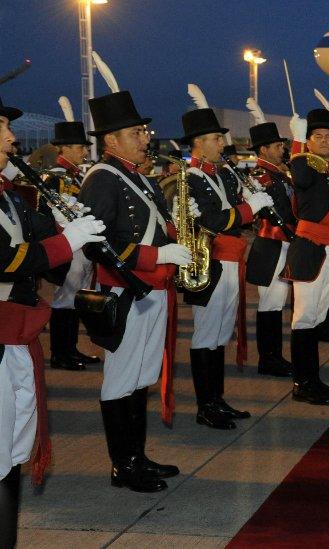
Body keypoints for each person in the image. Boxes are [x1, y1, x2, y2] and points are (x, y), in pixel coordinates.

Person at [0, 97, 104, 546]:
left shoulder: (6, 192)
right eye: (1, 126)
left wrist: (64, 222)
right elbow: (7, 259)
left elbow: (35, 231)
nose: (11, 137)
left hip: (16, 335)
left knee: (12, 449)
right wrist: (67, 243)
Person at [79, 90, 187, 492]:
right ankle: (121, 465)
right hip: (126, 292)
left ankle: (137, 456)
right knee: (119, 379)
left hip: (152, 289)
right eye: (136, 132)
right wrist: (155, 253)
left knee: (141, 377)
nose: (146, 138)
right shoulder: (102, 178)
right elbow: (95, 243)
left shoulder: (139, 176)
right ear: (111, 139)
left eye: (143, 131)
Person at [181, 104, 274, 430]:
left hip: (231, 260)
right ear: (198, 143)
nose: (223, 144)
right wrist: (250, 208)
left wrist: (250, 198)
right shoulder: (190, 178)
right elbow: (213, 221)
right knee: (206, 334)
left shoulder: (219, 174)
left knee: (220, 334)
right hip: (211, 263)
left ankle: (216, 399)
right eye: (215, 139)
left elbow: (232, 211)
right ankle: (205, 405)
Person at [282, 107, 329, 405]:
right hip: (310, 250)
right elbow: (301, 179)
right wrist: (296, 142)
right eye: (317, 136)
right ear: (308, 142)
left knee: (318, 318)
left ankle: (313, 379)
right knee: (304, 318)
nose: (324, 140)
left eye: (328, 136)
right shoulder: (306, 164)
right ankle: (302, 383)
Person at [46, 104, 100, 371]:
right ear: (64, 148)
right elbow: (50, 213)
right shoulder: (54, 178)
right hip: (69, 248)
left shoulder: (77, 176)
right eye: (79, 147)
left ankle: (71, 349)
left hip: (82, 247)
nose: (84, 151)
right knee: (64, 299)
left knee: (75, 299)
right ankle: (60, 353)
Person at [244, 115, 296, 378]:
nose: (282, 149)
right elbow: (277, 209)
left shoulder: (280, 174)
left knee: (277, 302)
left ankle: (275, 356)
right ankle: (269, 359)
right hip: (272, 244)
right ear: (263, 149)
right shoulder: (260, 175)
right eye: (277, 146)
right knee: (270, 303)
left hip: (282, 243)